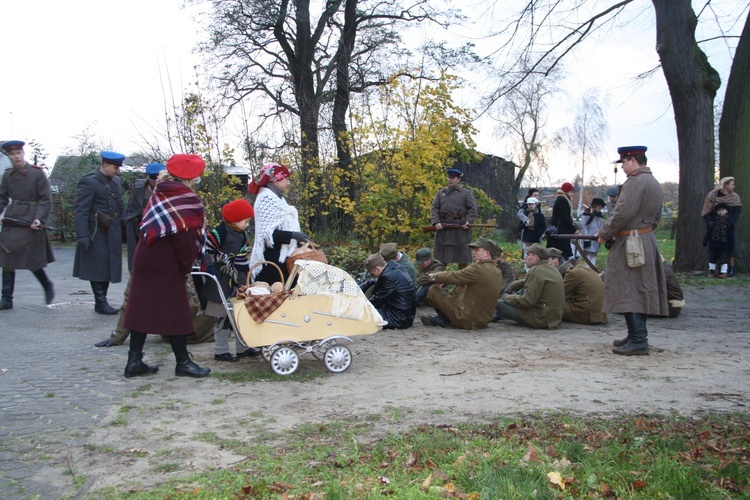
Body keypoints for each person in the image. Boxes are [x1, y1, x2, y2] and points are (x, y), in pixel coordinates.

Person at [121, 153, 211, 378]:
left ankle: (134, 361)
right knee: (176, 312)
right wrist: (186, 265)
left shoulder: (160, 191)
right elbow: (185, 238)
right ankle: (183, 362)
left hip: (145, 255)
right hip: (167, 260)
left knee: (141, 308)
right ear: (191, 178)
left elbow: (151, 225)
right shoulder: (188, 199)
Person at [596, 146, 668, 356]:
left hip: (631, 242)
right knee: (638, 288)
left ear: (632, 160)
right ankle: (635, 334)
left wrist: (605, 232)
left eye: (624, 162)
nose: (623, 167)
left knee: (629, 288)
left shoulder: (635, 182)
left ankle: (638, 339)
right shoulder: (653, 182)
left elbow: (622, 212)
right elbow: (656, 218)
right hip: (644, 238)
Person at [0, 140, 55, 309]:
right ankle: (6, 298)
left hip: (31, 219)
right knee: (7, 256)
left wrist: (39, 218)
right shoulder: (7, 175)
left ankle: (47, 285)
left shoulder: (37, 174)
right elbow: (2, 198)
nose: (16, 157)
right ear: (8, 156)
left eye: (18, 153)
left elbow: (46, 199)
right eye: (12, 154)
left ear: (23, 154)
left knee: (32, 259)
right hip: (12, 218)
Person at [204, 198, 261, 361]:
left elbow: (242, 258)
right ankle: (220, 350)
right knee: (222, 316)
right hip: (221, 281)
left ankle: (243, 347)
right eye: (246, 221)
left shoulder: (240, 234)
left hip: (238, 280)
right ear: (235, 219)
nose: (248, 225)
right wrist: (224, 261)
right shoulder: (219, 233)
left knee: (241, 314)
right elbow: (209, 251)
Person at [72, 150, 126, 314]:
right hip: (95, 230)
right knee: (98, 267)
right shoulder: (89, 181)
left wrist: (123, 225)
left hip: (112, 228)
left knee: (109, 266)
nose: (117, 170)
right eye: (115, 167)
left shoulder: (115, 181)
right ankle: (100, 302)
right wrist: (82, 235)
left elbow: (120, 205)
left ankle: (102, 301)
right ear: (105, 165)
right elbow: (80, 210)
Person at [420, 237, 503, 329]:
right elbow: (462, 278)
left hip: (467, 320)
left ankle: (444, 319)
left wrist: (434, 277)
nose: (473, 252)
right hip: (483, 320)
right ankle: (443, 319)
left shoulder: (478, 269)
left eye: (477, 250)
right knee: (461, 285)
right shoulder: (497, 271)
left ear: (486, 253)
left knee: (433, 290)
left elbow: (455, 276)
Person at [248, 163, 310, 286]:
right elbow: (268, 236)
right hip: (272, 263)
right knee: (277, 298)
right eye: (287, 179)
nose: (288, 183)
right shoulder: (266, 199)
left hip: (284, 259)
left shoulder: (278, 199)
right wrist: (293, 235)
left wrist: (299, 241)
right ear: (276, 180)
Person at [496, 243, 564, 329]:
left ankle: (497, 314)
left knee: (499, 303)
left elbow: (527, 301)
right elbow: (529, 282)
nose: (525, 257)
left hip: (541, 318)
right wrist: (514, 286)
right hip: (554, 318)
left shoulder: (535, 271)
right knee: (522, 290)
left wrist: (507, 297)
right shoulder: (552, 269)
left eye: (528, 255)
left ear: (536, 258)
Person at [429, 168, 478, 269]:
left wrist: (468, 222)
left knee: (463, 260)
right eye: (449, 178)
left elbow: (472, 209)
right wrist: (436, 222)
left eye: (453, 178)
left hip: (460, 231)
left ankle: (463, 283)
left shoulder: (466, 193)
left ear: (458, 179)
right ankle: (438, 280)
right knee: (440, 260)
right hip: (443, 230)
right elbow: (434, 208)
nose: (450, 180)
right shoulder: (440, 193)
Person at [124, 162, 165, 272]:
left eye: (157, 177)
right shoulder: (139, 188)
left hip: (162, 230)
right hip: (140, 230)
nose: (155, 181)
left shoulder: (169, 188)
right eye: (152, 177)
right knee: (139, 262)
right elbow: (132, 209)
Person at [363, 253, 416, 329]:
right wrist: (368, 282)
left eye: (372, 274)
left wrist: (360, 307)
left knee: (363, 314)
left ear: (377, 269)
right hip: (406, 315)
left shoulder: (388, 278)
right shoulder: (396, 268)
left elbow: (377, 301)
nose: (372, 276)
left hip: (398, 319)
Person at [701, 177, 741, 276]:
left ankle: (730, 268)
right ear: (726, 185)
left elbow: (737, 212)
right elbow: (706, 210)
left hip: (728, 225)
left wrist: (731, 222)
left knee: (730, 246)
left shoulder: (735, 197)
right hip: (715, 225)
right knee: (715, 247)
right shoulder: (713, 195)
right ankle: (715, 269)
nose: (734, 186)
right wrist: (709, 221)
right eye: (732, 184)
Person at [556, 258, 607, 325]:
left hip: (587, 314)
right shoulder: (587, 270)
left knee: (555, 303)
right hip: (601, 315)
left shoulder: (571, 274)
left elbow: (559, 294)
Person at [546, 182, 578, 260]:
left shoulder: (561, 200)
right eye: (571, 192)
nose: (572, 194)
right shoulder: (562, 201)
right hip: (560, 231)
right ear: (566, 191)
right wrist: (573, 229)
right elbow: (565, 217)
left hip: (561, 231)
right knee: (561, 254)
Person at [702, 203, 735, 278]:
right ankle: (711, 271)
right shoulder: (713, 222)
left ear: (726, 211)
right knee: (712, 258)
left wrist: (732, 243)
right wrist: (705, 241)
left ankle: (724, 272)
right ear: (716, 212)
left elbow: (731, 234)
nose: (721, 212)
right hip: (713, 243)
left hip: (724, 244)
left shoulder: (729, 223)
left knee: (723, 258)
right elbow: (708, 233)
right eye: (719, 210)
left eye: (723, 210)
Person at [518, 196, 546, 270]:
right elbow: (520, 226)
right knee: (526, 256)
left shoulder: (540, 215)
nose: (530, 206)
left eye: (531, 204)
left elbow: (543, 227)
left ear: (536, 204)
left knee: (535, 256)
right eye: (528, 204)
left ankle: (535, 270)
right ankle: (527, 270)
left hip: (536, 240)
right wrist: (525, 223)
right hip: (527, 239)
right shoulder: (526, 214)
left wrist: (538, 235)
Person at [580, 197, 606, 268]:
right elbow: (583, 227)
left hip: (596, 239)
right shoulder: (586, 214)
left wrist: (600, 235)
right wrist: (586, 239)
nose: (599, 210)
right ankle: (587, 271)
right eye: (599, 207)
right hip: (588, 237)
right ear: (594, 206)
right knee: (587, 257)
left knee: (593, 256)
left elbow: (601, 226)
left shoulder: (599, 216)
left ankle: (592, 270)